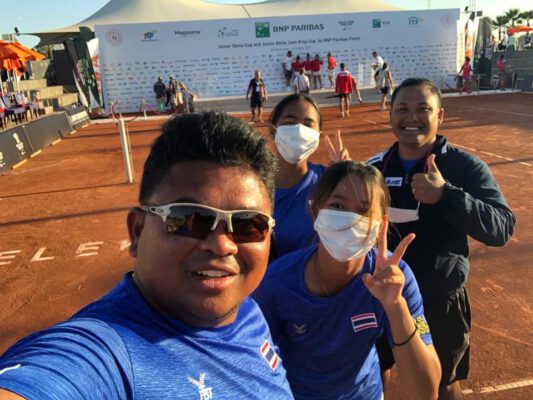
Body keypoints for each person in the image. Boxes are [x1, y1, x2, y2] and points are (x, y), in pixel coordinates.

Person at [0, 112, 294, 399]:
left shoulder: (246, 310)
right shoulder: (106, 353)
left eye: (248, 224)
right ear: (137, 232)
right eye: (188, 218)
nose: (222, 246)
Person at [367, 78, 516, 400]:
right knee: (375, 371)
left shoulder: (463, 167)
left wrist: (447, 195)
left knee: (442, 383)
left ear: (440, 115)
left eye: (423, 109)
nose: (411, 117)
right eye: (402, 109)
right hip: (378, 298)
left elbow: (502, 227)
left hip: (434, 304)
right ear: (390, 114)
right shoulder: (374, 168)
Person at [253, 161, 441, 400]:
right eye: (338, 206)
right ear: (315, 210)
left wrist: (396, 306)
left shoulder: (398, 279)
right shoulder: (278, 282)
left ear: (380, 225)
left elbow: (425, 392)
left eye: (363, 211)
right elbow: (252, 362)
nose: (350, 219)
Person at [269, 93, 348, 259]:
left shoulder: (328, 181)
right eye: (289, 122)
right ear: (272, 130)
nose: (299, 130)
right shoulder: (251, 184)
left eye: (308, 125)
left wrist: (347, 182)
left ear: (318, 135)